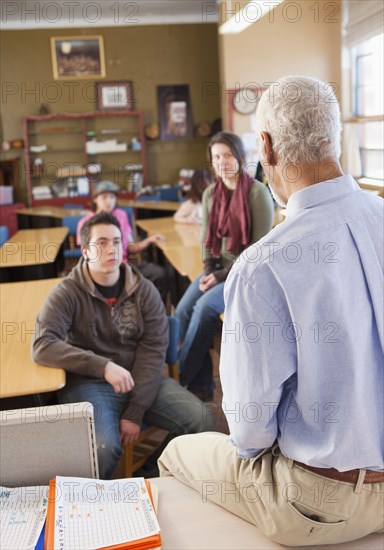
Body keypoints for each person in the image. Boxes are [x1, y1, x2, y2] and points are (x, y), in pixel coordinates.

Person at [158, 76, 384, 546]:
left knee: (178, 451)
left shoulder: (264, 265)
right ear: (334, 136)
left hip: (321, 504)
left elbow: (249, 433)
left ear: (266, 147)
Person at [33, 211, 215, 479]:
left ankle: (148, 476)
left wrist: (134, 411)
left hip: (139, 378)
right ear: (85, 250)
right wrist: (102, 366)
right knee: (104, 449)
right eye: (102, 243)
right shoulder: (67, 292)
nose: (112, 249)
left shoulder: (145, 290)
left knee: (203, 421)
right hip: (89, 382)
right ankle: (98, 505)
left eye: (117, 242)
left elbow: (153, 352)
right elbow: (42, 344)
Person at [175, 131, 274, 401]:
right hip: (216, 270)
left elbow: (256, 253)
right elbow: (206, 239)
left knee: (204, 308)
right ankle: (200, 385)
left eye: (228, 155)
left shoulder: (257, 193)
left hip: (247, 276)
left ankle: (180, 377)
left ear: (240, 157)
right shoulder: (210, 194)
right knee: (183, 310)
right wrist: (209, 273)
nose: (222, 162)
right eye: (216, 157)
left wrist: (218, 277)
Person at [76, 181, 168, 301]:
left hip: (124, 266)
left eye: (112, 197)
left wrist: (149, 240)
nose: (109, 201)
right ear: (95, 199)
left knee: (160, 274)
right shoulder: (85, 223)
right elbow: (87, 257)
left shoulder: (121, 215)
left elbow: (131, 247)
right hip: (101, 269)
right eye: (104, 197)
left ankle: (152, 309)